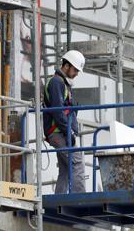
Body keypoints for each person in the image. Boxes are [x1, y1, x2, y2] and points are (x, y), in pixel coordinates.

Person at [44, 50, 86, 194]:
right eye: (75, 69)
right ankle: (80, 200)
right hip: (59, 132)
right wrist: (69, 132)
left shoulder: (64, 83)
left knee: (66, 168)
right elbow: (58, 111)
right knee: (77, 164)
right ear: (66, 65)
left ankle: (59, 198)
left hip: (60, 132)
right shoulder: (56, 82)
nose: (76, 73)